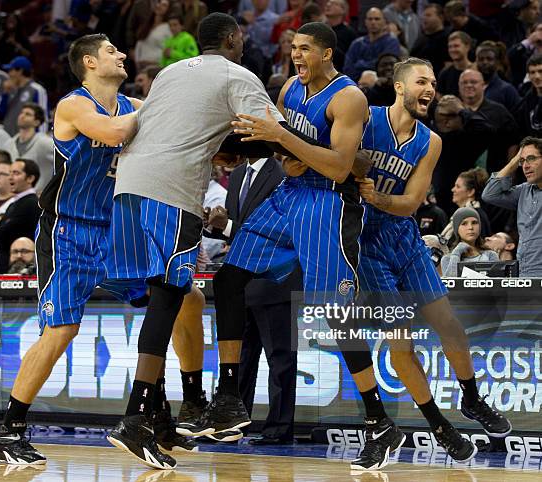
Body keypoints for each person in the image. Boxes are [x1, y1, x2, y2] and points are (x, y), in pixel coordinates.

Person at [184, 22, 400, 472]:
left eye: (304, 49)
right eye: (292, 48)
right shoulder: (288, 91)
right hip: (288, 197)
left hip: (328, 204)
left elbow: (341, 167)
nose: (296, 56)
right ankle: (228, 396)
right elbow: (285, 153)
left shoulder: (348, 97)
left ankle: (379, 422)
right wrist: (245, 145)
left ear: (325, 53)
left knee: (335, 315)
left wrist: (286, 143)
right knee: (228, 278)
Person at [105, 13, 316, 470]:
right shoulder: (236, 73)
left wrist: (226, 145)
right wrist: (311, 152)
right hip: (171, 188)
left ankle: (160, 416)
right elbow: (271, 131)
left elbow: (192, 130)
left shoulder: (168, 73)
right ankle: (136, 417)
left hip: (126, 186)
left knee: (166, 297)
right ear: (235, 39)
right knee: (167, 296)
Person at [0, 33, 205, 467]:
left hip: (115, 230)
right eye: (111, 51)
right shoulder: (74, 105)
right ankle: (9, 431)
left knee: (183, 299)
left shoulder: (134, 106)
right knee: (61, 332)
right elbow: (114, 131)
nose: (122, 54)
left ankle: (168, 415)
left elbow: (171, 122)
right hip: (68, 231)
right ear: (89, 61)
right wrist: (159, 112)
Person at [357, 57, 511, 464]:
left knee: (450, 326)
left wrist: (375, 196)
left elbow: (409, 204)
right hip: (365, 245)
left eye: (433, 83)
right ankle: (438, 426)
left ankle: (472, 399)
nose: (430, 89)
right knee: (400, 343)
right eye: (421, 81)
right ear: (400, 87)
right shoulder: (365, 119)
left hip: (403, 240)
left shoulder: (431, 141)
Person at [205, 157, 301, 444]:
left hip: (276, 279)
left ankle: (279, 429)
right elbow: (234, 231)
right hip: (241, 281)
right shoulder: (236, 177)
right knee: (241, 359)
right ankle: (233, 424)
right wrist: (214, 224)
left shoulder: (283, 173)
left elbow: (277, 230)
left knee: (280, 359)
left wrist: (229, 224)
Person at [482, 136, 542, 276]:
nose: (525, 166)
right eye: (522, 161)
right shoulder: (523, 191)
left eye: (531, 158)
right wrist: (514, 162)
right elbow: (489, 194)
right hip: (524, 270)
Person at [0, 159, 42, 274]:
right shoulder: (15, 203)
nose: (10, 177)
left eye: (16, 173)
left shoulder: (30, 203)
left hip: (22, 270)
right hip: (8, 269)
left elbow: (0, 235)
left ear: (30, 178)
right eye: (10, 173)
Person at [4, 103, 53, 192]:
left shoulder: (45, 142)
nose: (22, 116)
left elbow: (65, 161)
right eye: (21, 113)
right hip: (14, 195)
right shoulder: (9, 144)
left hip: (39, 195)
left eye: (28, 114)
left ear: (37, 122)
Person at [343, 8, 401, 82]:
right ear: (365, 22)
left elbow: (385, 67)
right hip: (355, 85)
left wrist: (359, 64)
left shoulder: (391, 42)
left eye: (377, 19)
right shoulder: (357, 43)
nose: (373, 22)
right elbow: (347, 69)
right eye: (370, 19)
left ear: (384, 22)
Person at [440, 207, 500, 276]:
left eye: (474, 223)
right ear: (457, 229)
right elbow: (451, 284)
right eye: (464, 223)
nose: (470, 227)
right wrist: (456, 254)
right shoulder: (447, 259)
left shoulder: (490, 255)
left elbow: (496, 284)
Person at [1, 56, 49, 135]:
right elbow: (0, 115)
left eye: (11, 70)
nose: (9, 74)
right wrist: (5, 94)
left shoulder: (36, 89)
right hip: (8, 139)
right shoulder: (10, 90)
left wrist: (39, 137)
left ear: (20, 71)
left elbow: (43, 118)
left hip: (27, 139)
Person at [441, 167, 492, 240]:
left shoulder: (475, 216)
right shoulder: (462, 213)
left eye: (458, 187)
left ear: (470, 192)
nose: (453, 190)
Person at [436, 31, 474, 98]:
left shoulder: (477, 71)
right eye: (450, 47)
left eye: (456, 46)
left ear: (467, 47)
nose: (452, 50)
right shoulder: (444, 73)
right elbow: (440, 99)